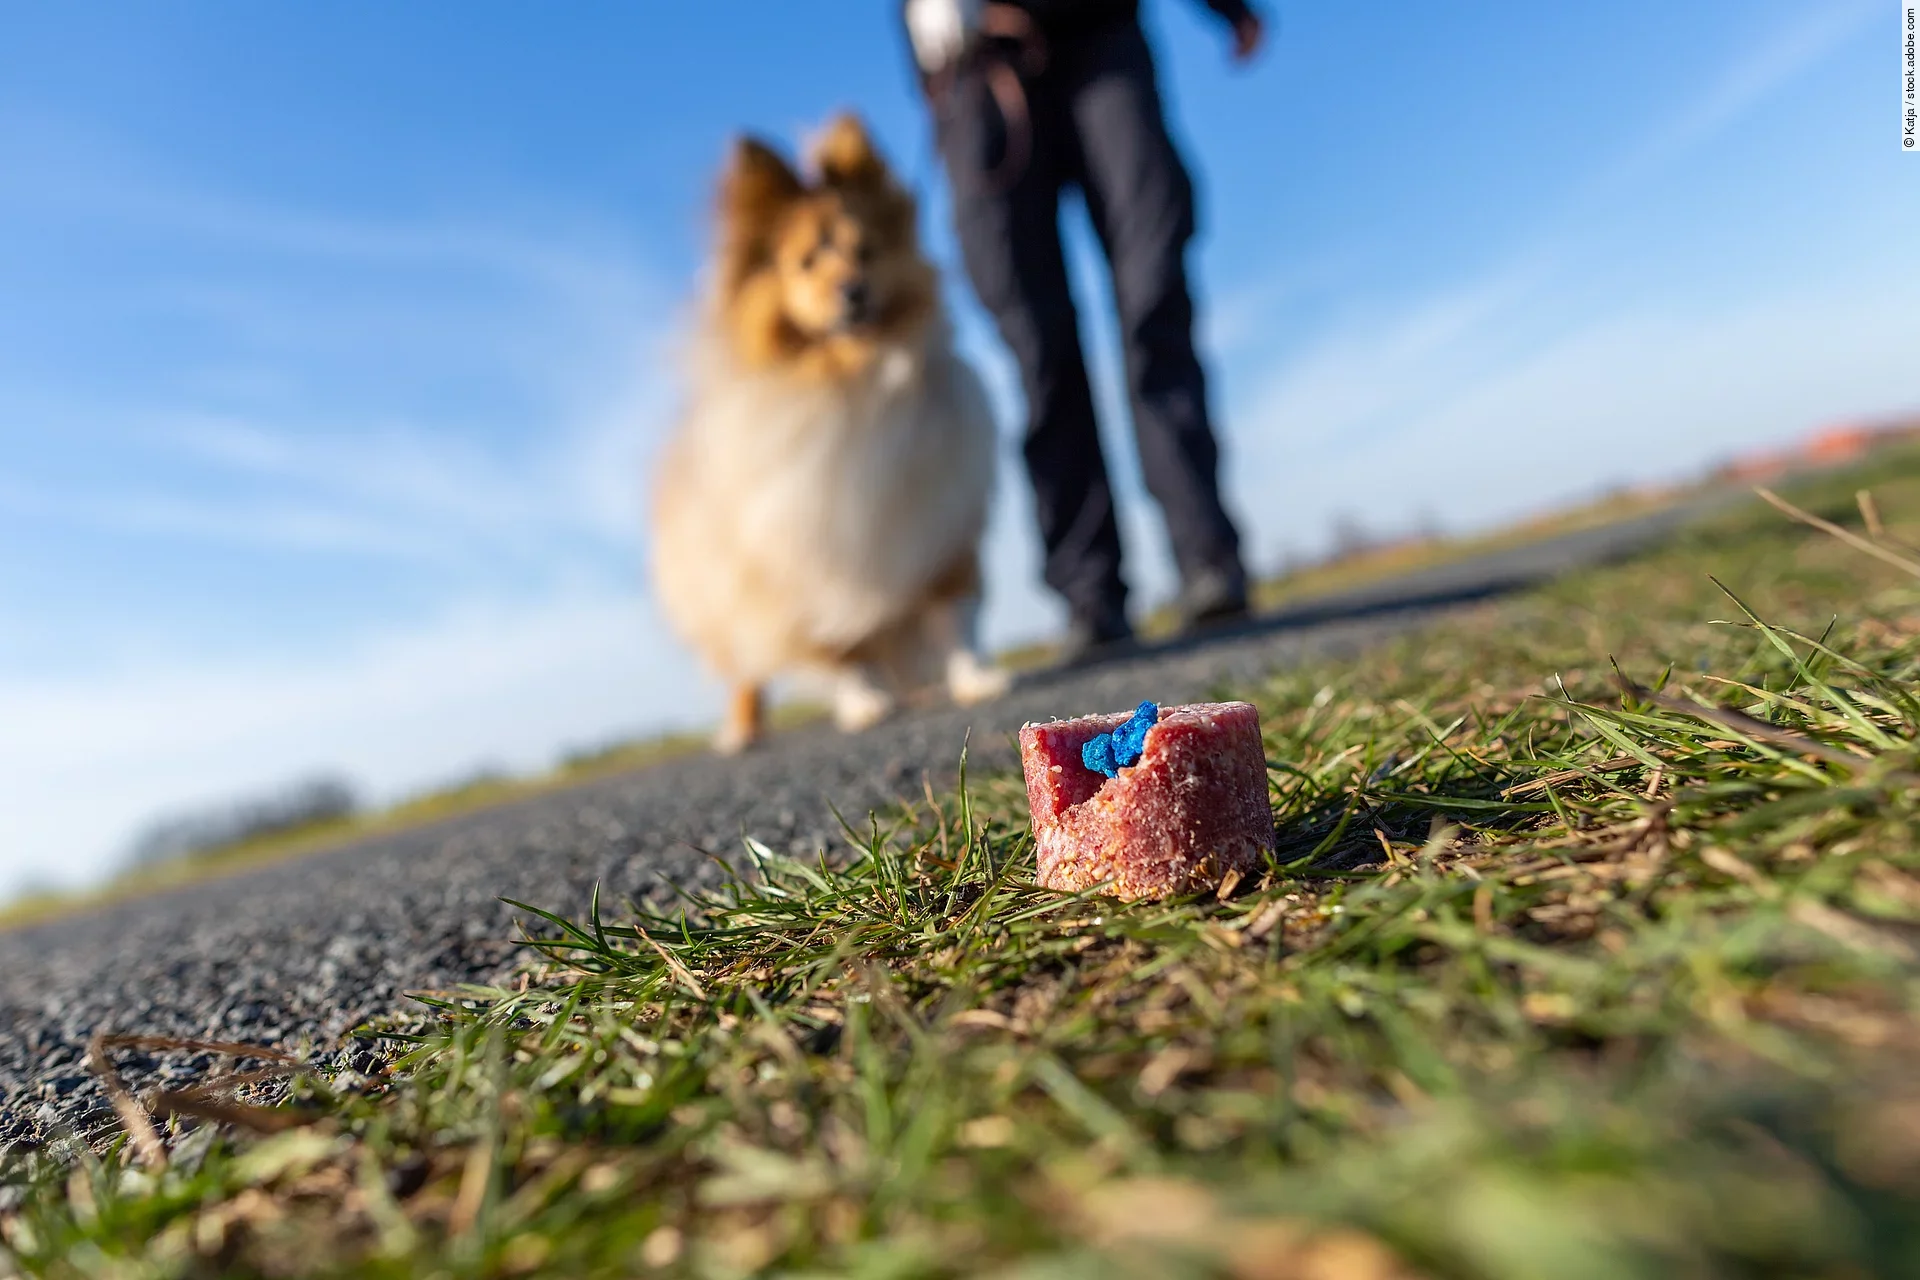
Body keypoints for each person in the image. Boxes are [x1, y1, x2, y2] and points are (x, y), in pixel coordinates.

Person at [905, 0, 1264, 657]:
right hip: (974, 70)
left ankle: (1208, 557)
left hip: (1101, 39)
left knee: (1153, 291)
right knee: (1036, 347)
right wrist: (934, 77)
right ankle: (1089, 591)